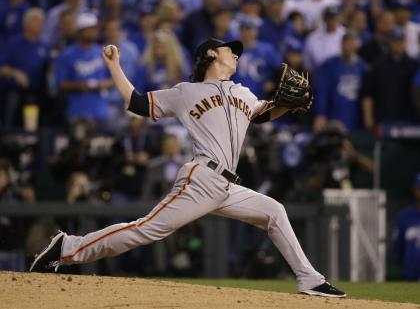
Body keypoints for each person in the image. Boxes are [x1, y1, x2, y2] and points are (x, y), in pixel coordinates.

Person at [29, 37, 346, 298]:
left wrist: (289, 104)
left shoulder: (242, 92)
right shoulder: (186, 92)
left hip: (226, 187)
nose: (235, 54)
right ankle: (67, 247)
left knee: (274, 211)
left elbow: (264, 114)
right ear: (211, 54)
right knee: (146, 229)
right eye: (229, 50)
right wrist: (114, 67)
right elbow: (138, 103)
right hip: (201, 178)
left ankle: (310, 279)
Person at [393, 173, 420, 280]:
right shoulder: (405, 215)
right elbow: (398, 245)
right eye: (419, 188)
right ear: (414, 190)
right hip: (410, 273)